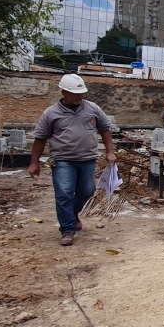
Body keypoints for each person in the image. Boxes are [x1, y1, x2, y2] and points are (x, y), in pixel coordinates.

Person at [28, 74, 117, 246]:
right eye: (75, 94)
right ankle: (67, 229)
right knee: (64, 193)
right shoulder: (51, 113)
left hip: (87, 159)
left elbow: (105, 129)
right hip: (62, 160)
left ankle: (72, 213)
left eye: (81, 93)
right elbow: (40, 138)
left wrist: (110, 152)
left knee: (87, 190)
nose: (79, 97)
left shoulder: (92, 109)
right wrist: (34, 162)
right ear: (63, 92)